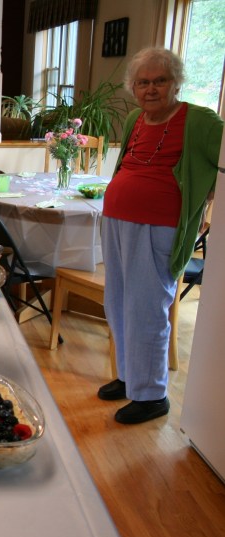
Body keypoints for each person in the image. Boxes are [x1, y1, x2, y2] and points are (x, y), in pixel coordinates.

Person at [98, 47, 223, 424]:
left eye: (160, 81)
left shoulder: (200, 121)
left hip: (159, 225)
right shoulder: (136, 118)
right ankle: (128, 376)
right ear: (132, 88)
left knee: (148, 307)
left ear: (176, 82)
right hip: (117, 219)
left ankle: (152, 394)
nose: (151, 89)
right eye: (143, 82)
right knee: (118, 302)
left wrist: (207, 204)